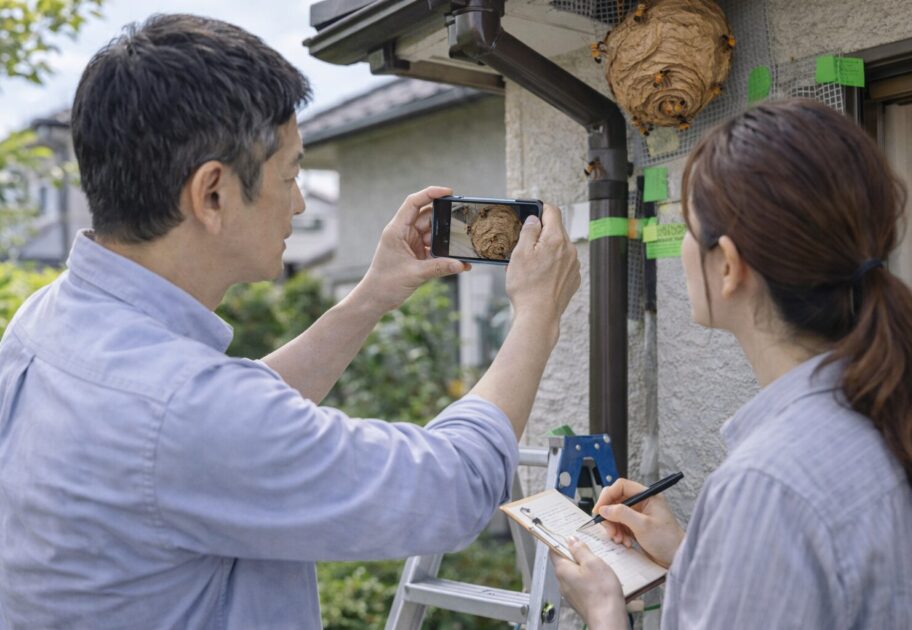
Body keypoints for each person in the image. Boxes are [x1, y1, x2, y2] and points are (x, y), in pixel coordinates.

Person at [0, 14, 580, 629]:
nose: (299, 202)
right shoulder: (186, 413)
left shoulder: (45, 325)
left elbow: (230, 419)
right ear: (213, 195)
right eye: (291, 174)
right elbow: (449, 487)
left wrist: (370, 298)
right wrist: (537, 316)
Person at [553, 99, 912, 629]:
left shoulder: (768, 485)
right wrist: (689, 554)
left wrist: (605, 613)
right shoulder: (903, 417)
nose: (685, 246)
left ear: (730, 266)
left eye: (688, 226)